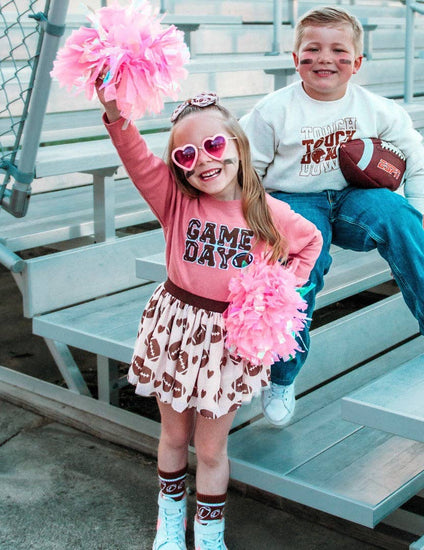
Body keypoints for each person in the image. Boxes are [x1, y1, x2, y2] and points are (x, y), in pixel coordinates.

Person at [97, 88, 322, 550]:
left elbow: (311, 243)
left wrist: (276, 291)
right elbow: (136, 156)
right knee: (174, 435)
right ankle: (170, 519)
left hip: (229, 341)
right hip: (176, 332)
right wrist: (115, 111)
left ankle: (209, 531)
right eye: (186, 154)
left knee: (213, 448)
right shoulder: (175, 203)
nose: (203, 160)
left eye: (214, 145)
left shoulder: (268, 213)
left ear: (238, 144)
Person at [240, 6, 424, 428]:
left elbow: (418, 161)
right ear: (294, 57)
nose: (324, 58)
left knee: (398, 213)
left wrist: (418, 213)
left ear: (356, 63)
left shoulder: (377, 108)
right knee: (306, 266)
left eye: (338, 50)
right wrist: (264, 225)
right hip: (293, 199)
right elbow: (247, 175)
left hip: (354, 197)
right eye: (312, 48)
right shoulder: (271, 111)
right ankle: (280, 376)